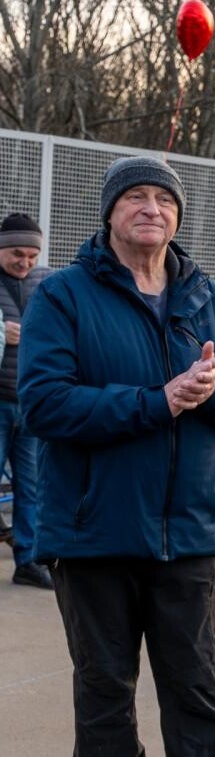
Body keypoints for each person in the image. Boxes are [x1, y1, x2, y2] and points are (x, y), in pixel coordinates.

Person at [17, 155, 215, 754]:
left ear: (178, 216)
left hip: (188, 535)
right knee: (104, 699)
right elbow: (45, 405)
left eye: (164, 198)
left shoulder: (210, 297)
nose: (151, 208)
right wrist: (157, 401)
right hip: (93, 536)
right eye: (136, 197)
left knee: (197, 698)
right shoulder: (62, 296)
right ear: (110, 212)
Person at [0, 213, 54, 588]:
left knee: (31, 487)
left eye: (33, 255)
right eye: (17, 254)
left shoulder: (46, 282)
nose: (26, 262)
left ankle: (28, 561)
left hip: (31, 404)